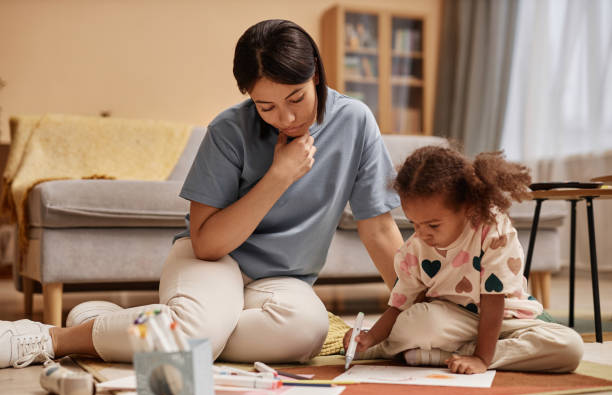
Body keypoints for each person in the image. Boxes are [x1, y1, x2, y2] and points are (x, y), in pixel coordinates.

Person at [0, 19, 405, 369]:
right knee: (200, 332)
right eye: (266, 107)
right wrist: (279, 176)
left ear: (315, 72)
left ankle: (124, 323)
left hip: (283, 281)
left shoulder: (355, 121)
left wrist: (414, 304)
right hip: (213, 261)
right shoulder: (229, 130)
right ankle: (54, 338)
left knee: (308, 331)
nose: (287, 118)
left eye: (296, 98)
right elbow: (208, 244)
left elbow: (379, 229)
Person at [343, 146, 584, 374]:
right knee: (416, 322)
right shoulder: (414, 249)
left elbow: (493, 301)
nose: (423, 233)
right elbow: (399, 306)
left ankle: (442, 355)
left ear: (467, 206)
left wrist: (481, 358)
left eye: (433, 225)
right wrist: (371, 337)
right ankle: (428, 350)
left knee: (569, 346)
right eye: (414, 224)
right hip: (452, 319)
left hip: (505, 318)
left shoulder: (493, 231)